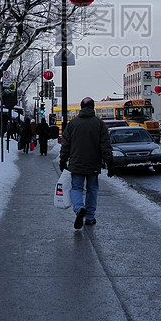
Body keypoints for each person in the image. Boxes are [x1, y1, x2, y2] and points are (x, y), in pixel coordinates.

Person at [59, 97, 114, 229]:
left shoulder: (73, 124)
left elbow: (65, 144)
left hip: (76, 163)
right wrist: (109, 163)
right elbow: (105, 146)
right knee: (92, 189)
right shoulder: (99, 124)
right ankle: (89, 217)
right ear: (93, 107)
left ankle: (79, 209)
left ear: (81, 107)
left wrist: (63, 160)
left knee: (76, 188)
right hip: (93, 164)